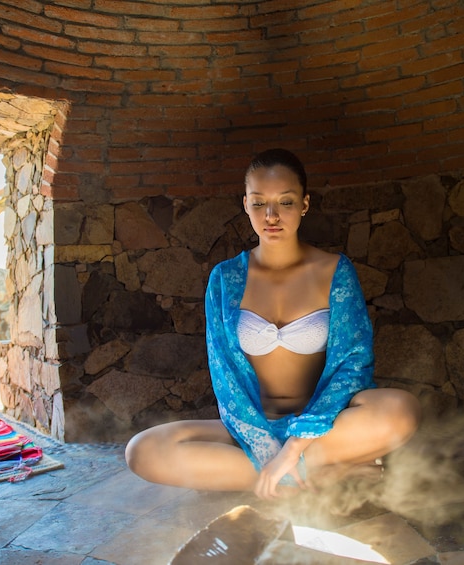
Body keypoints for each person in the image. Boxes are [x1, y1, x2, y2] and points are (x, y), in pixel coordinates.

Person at [125, 148, 420, 500]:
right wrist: (265, 444)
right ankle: (325, 473)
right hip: (249, 427)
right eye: (259, 202)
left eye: (286, 202)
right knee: (143, 451)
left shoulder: (333, 272)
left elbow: (353, 366)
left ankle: (289, 468)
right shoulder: (226, 278)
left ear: (305, 204)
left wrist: (296, 445)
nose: (271, 216)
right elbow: (225, 375)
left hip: (323, 427)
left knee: (401, 411)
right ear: (245, 204)